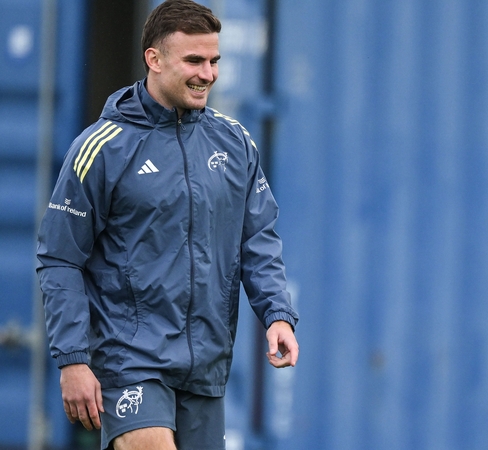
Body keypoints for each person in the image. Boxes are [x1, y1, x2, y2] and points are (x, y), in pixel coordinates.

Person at [36, 0, 299, 448]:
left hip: (206, 366)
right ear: (153, 59)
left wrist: (276, 313)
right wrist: (73, 360)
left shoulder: (234, 142)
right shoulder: (101, 148)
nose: (208, 74)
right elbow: (60, 259)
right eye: (194, 60)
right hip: (129, 361)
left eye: (214, 60)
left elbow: (256, 237)